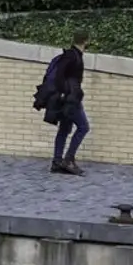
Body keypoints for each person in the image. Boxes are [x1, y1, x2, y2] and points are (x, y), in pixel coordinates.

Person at [44, 31, 90, 175]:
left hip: (67, 98)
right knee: (83, 127)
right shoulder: (72, 55)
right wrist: (65, 93)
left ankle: (57, 162)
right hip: (70, 99)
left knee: (64, 129)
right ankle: (68, 160)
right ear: (86, 41)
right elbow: (59, 75)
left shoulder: (73, 54)